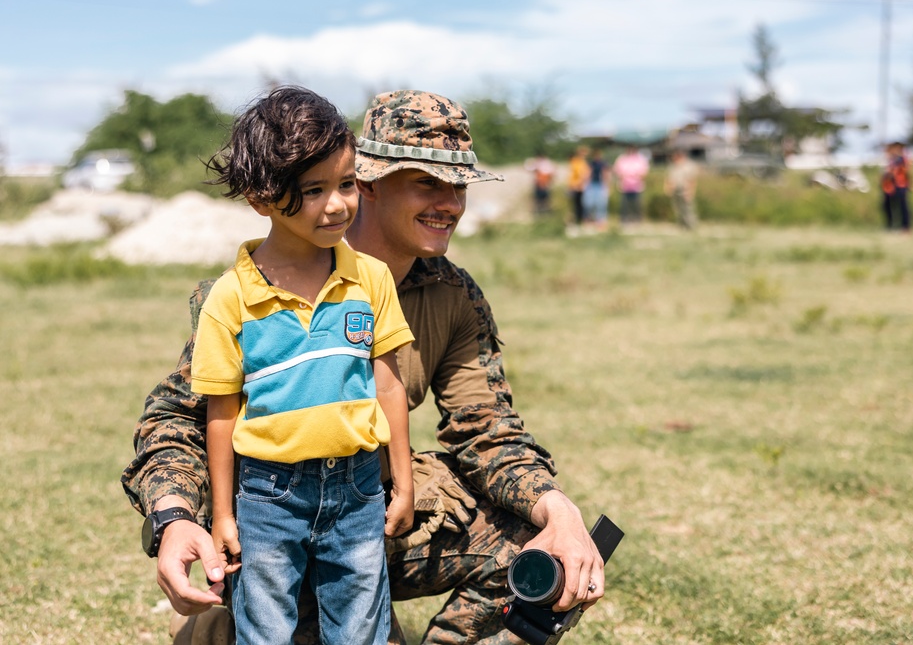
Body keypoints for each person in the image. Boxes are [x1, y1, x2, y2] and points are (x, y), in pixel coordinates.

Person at [122, 89, 606, 645]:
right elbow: (174, 422)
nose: (450, 202)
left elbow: (487, 428)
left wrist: (560, 512)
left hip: (366, 514)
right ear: (369, 181)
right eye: (427, 182)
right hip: (271, 527)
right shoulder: (250, 292)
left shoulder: (452, 295)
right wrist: (174, 517)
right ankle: (217, 628)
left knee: (545, 554)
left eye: (459, 185)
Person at [193, 85, 414, 644]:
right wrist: (223, 513)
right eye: (314, 190)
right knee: (265, 628)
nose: (337, 204)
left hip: (360, 488)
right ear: (261, 196)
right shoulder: (229, 298)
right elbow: (222, 411)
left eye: (345, 184)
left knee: (361, 627)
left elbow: (388, 385)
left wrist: (403, 478)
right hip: (268, 495)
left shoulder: (371, 278)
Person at [612, 145, 650, 224]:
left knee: (637, 205)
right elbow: (616, 170)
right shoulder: (621, 158)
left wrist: (637, 176)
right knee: (625, 205)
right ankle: (624, 220)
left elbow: (645, 172)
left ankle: (637, 220)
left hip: (637, 186)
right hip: (624, 186)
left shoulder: (640, 159)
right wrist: (623, 176)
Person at [880, 141, 912, 232]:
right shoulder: (889, 160)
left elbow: (906, 171)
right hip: (889, 186)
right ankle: (890, 226)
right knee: (887, 206)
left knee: (903, 206)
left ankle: (906, 227)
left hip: (901, 185)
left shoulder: (902, 159)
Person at [665, 149, 700, 231]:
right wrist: (668, 187)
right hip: (675, 189)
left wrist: (690, 191)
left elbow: (692, 180)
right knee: (678, 208)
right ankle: (682, 225)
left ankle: (691, 226)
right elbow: (669, 178)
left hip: (685, 189)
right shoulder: (673, 166)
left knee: (687, 209)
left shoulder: (689, 166)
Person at [582, 148, 610, 229]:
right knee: (589, 203)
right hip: (591, 185)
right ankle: (588, 219)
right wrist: (585, 184)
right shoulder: (591, 163)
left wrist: (606, 186)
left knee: (601, 204)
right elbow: (588, 174)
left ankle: (600, 221)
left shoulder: (603, 164)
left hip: (600, 185)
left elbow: (605, 175)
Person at [524, 152, 556, 216]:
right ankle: (543, 212)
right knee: (543, 199)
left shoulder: (540, 163)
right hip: (542, 183)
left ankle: (541, 212)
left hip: (542, 183)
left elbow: (529, 169)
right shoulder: (547, 163)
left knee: (541, 199)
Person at [566, 145, 590, 226]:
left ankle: (582, 220)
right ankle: (576, 220)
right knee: (575, 205)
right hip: (574, 186)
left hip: (581, 187)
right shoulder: (575, 161)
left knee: (582, 204)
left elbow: (585, 175)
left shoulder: (584, 163)